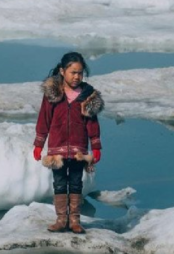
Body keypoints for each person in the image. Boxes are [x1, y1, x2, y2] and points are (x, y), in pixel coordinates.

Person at [32, 51, 104, 234]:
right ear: (63, 71)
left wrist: (95, 146)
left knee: (76, 182)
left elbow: (92, 123)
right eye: (73, 72)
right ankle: (61, 219)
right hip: (57, 148)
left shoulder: (88, 95)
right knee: (59, 182)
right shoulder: (53, 93)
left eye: (80, 73)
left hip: (79, 149)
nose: (76, 76)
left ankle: (74, 220)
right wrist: (39, 143)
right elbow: (44, 119)